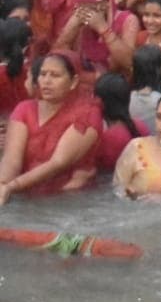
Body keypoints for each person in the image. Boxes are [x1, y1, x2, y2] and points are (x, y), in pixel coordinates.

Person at [0, 52, 102, 201]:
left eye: (55, 75)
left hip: (69, 200)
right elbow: (12, 159)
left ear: (73, 82)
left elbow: (58, 163)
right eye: (43, 74)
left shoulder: (87, 116)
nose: (47, 81)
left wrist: (12, 187)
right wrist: (3, 184)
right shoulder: (24, 109)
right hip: (26, 196)